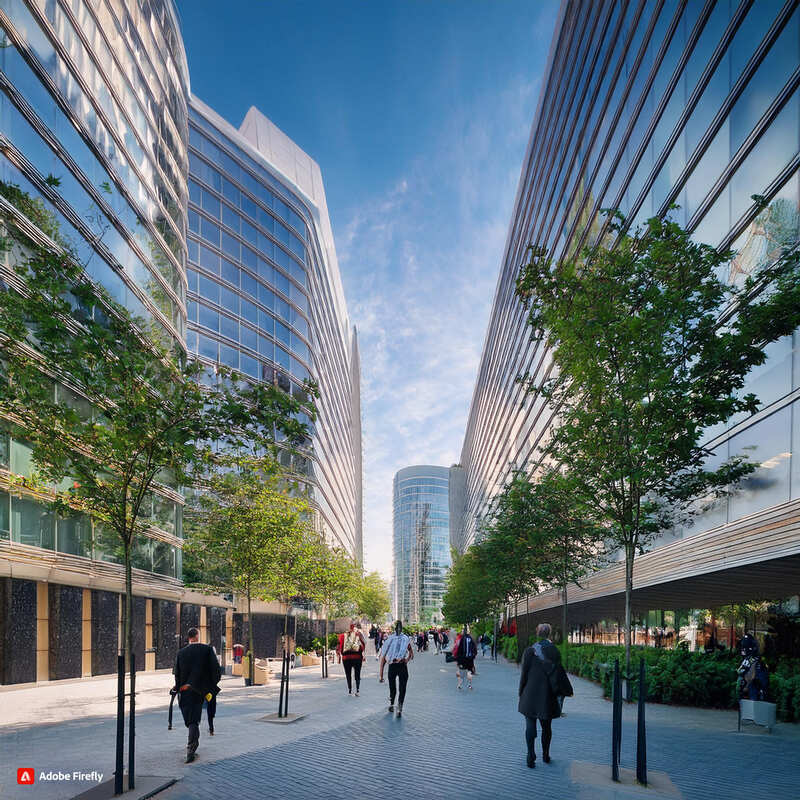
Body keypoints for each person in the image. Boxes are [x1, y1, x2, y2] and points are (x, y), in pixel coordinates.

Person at [518, 623, 573, 768]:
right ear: (549, 634)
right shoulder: (554, 651)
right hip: (546, 696)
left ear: (537, 634)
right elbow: (559, 673)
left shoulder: (529, 651)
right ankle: (546, 754)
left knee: (530, 725)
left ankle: (530, 755)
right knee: (546, 726)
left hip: (529, 693)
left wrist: (521, 692)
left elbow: (524, 674)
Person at [173, 627, 222, 763]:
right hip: (200, 691)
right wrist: (210, 686)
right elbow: (216, 670)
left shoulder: (181, 653)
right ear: (197, 636)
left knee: (191, 719)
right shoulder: (206, 650)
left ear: (189, 638)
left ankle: (192, 746)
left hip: (185, 691)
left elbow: (176, 674)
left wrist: (178, 687)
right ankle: (191, 748)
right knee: (194, 720)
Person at [379, 620, 414, 717]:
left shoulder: (404, 639)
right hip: (393, 666)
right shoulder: (390, 640)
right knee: (393, 688)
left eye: (400, 627)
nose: (399, 629)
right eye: (397, 627)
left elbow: (411, 653)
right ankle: (392, 704)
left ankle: (399, 707)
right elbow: (383, 659)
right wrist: (381, 675)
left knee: (402, 688)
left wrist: (406, 659)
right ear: (395, 629)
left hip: (401, 665)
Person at [337, 621, 367, 696]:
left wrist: (339, 656)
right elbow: (364, 644)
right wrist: (363, 655)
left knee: (348, 674)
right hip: (357, 658)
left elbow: (338, 647)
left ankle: (350, 690)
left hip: (346, 658)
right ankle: (357, 690)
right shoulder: (359, 634)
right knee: (357, 674)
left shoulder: (342, 636)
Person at [451, 626, 478, 690]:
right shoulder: (471, 639)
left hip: (463, 658)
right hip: (470, 659)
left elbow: (459, 649)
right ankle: (469, 685)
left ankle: (460, 684)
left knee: (462, 672)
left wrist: (458, 659)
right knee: (469, 671)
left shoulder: (461, 639)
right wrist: (473, 656)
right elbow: (475, 649)